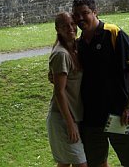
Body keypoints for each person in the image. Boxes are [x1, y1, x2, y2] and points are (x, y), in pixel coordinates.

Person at [72, 0, 129, 167]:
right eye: (76, 15)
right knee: (95, 163)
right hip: (91, 119)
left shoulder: (113, 33)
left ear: (95, 12)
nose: (80, 18)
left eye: (85, 13)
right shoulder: (78, 44)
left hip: (119, 115)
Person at [47, 12, 87, 167]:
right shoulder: (61, 54)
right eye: (65, 25)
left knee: (64, 163)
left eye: (72, 23)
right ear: (58, 29)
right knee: (81, 164)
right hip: (63, 118)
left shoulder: (76, 47)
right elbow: (59, 92)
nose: (70, 28)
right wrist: (70, 124)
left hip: (75, 116)